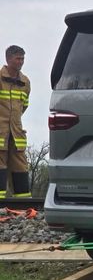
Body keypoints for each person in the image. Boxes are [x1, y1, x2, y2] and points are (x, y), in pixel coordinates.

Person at [0, 45, 31, 199]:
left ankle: (24, 204)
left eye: (23, 58)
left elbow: (23, 106)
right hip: (0, 132)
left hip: (17, 133)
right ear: (8, 59)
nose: (21, 62)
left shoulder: (25, 82)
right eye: (18, 58)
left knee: (21, 166)